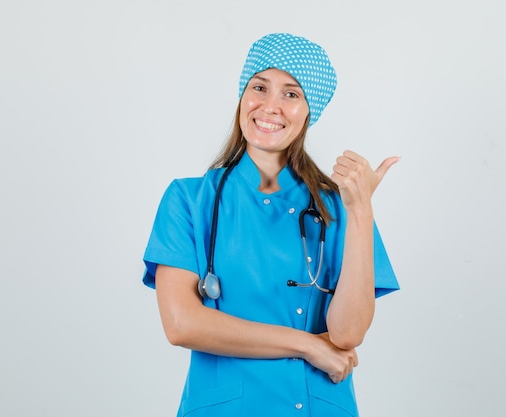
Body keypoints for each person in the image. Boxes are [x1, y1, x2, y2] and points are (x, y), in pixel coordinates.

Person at [142, 32, 400, 417]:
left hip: (317, 406)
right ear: (243, 96)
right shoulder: (189, 200)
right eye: (259, 87)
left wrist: (361, 208)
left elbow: (347, 334)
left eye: (291, 94)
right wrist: (309, 344)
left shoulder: (338, 206)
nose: (270, 106)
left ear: (310, 110)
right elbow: (181, 324)